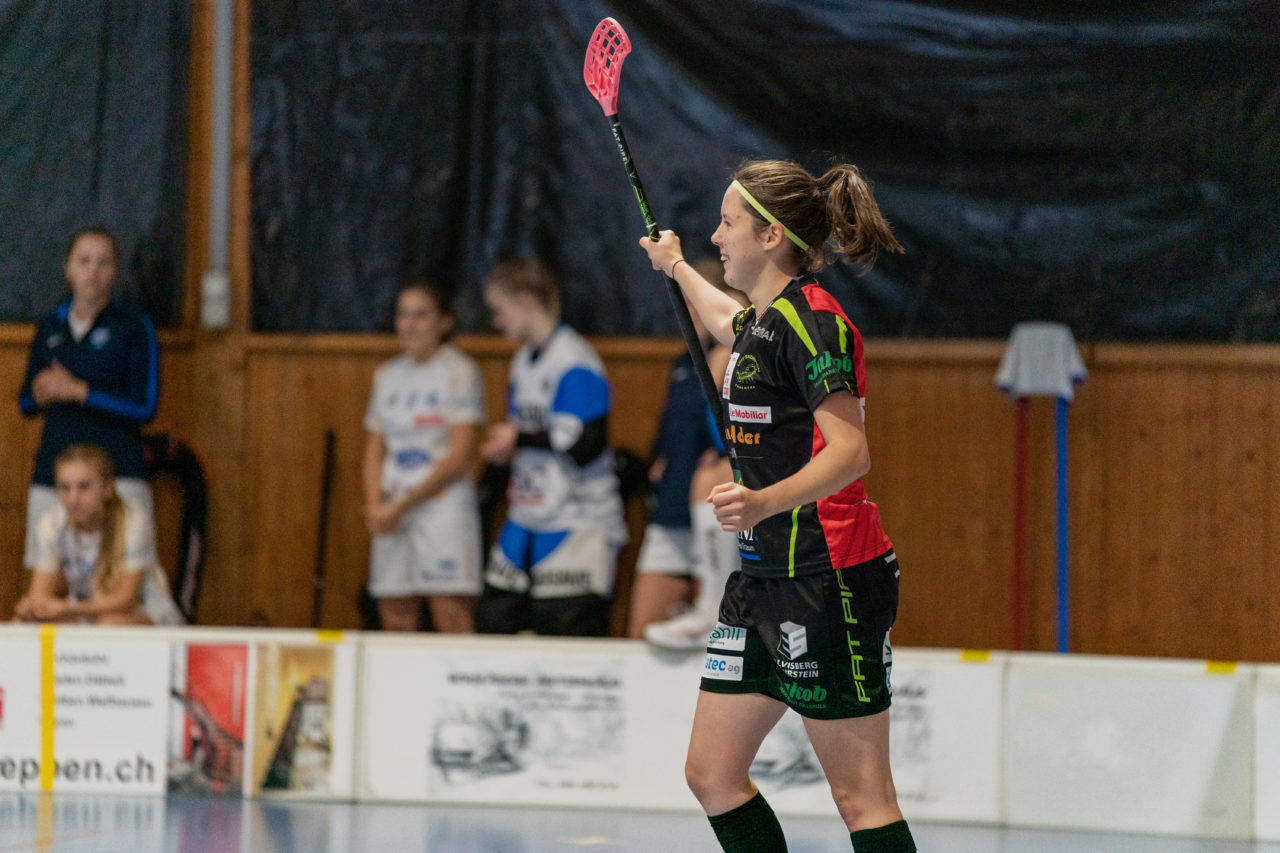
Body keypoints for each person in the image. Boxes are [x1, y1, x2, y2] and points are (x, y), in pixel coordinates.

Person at [638, 159, 914, 853]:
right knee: (712, 773)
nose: (716, 234)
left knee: (862, 797)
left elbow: (851, 452)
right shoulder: (764, 321)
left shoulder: (817, 324)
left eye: (728, 222)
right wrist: (675, 267)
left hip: (831, 576)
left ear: (769, 236)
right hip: (761, 581)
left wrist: (761, 499)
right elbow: (729, 321)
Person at [475, 257, 625, 637]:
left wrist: (520, 438)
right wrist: (509, 447)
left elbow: (586, 445)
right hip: (529, 513)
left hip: (577, 518)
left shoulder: (574, 360)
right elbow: (534, 434)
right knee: (494, 617)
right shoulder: (521, 362)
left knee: (564, 632)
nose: (496, 322)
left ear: (525, 301)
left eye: (499, 310)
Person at [18, 226, 160, 575]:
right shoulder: (50, 326)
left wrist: (80, 391)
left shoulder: (133, 326)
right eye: (83, 261)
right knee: (45, 579)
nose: (92, 272)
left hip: (118, 472)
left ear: (115, 271)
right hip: (55, 473)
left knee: (119, 584)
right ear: (68, 268)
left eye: (103, 262)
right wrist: (40, 394)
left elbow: (145, 406)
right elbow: (25, 403)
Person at [632, 259, 745, 648]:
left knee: (719, 633)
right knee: (642, 634)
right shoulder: (683, 363)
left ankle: (712, 602)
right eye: (684, 305)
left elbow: (728, 430)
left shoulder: (737, 355)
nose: (690, 314)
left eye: (697, 304)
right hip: (674, 506)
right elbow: (675, 428)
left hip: (715, 504)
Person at [362, 280, 485, 633]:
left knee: (451, 617)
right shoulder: (387, 376)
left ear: (444, 322)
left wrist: (401, 506)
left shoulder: (459, 371)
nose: (409, 325)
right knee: (395, 616)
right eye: (403, 315)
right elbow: (374, 451)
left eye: (421, 315)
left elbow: (460, 454)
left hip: (441, 508)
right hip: (392, 509)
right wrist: (376, 507)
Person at [13, 443, 182, 626]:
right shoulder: (51, 524)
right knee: (22, 623)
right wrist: (32, 608)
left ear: (107, 488)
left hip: (144, 612)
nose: (73, 498)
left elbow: (126, 600)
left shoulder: (132, 520)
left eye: (84, 487)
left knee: (111, 624)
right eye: (64, 488)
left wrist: (65, 608)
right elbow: (40, 593)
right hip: (87, 611)